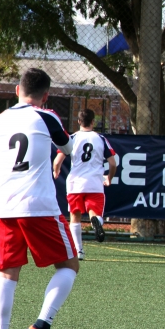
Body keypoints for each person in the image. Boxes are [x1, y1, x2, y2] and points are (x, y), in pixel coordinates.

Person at [0, 68, 77, 329]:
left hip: (3, 206)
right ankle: (42, 325)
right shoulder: (47, 116)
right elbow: (67, 147)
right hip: (38, 206)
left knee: (7, 272)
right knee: (69, 265)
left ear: (17, 90)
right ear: (46, 95)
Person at [52, 109, 116, 259]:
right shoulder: (100, 138)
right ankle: (96, 222)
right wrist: (109, 178)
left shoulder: (72, 138)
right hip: (94, 182)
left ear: (79, 122)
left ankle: (79, 251)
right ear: (93, 121)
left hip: (75, 183)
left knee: (75, 216)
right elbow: (113, 163)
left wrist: (56, 171)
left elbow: (57, 161)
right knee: (95, 212)